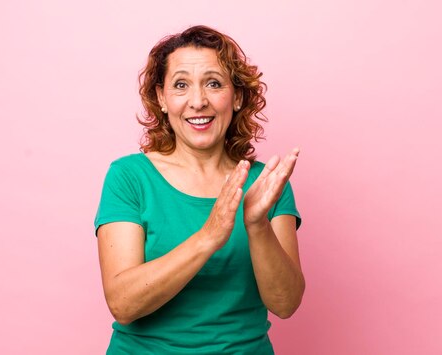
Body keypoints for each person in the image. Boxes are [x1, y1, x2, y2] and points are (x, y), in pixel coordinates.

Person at [94, 25, 305, 354]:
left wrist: (257, 225)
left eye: (214, 83)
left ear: (236, 97)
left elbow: (286, 303)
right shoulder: (129, 177)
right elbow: (123, 304)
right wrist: (209, 236)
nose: (198, 101)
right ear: (162, 98)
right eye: (181, 85)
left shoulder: (267, 185)